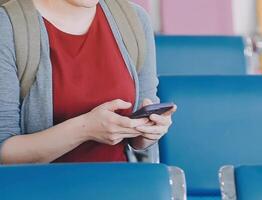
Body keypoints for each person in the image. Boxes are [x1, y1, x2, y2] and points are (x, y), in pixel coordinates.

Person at [0, 0, 176, 164]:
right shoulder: (8, 25)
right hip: (39, 189)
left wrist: (149, 131)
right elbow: (3, 152)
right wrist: (85, 130)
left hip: (119, 186)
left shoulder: (134, 19)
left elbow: (139, 143)